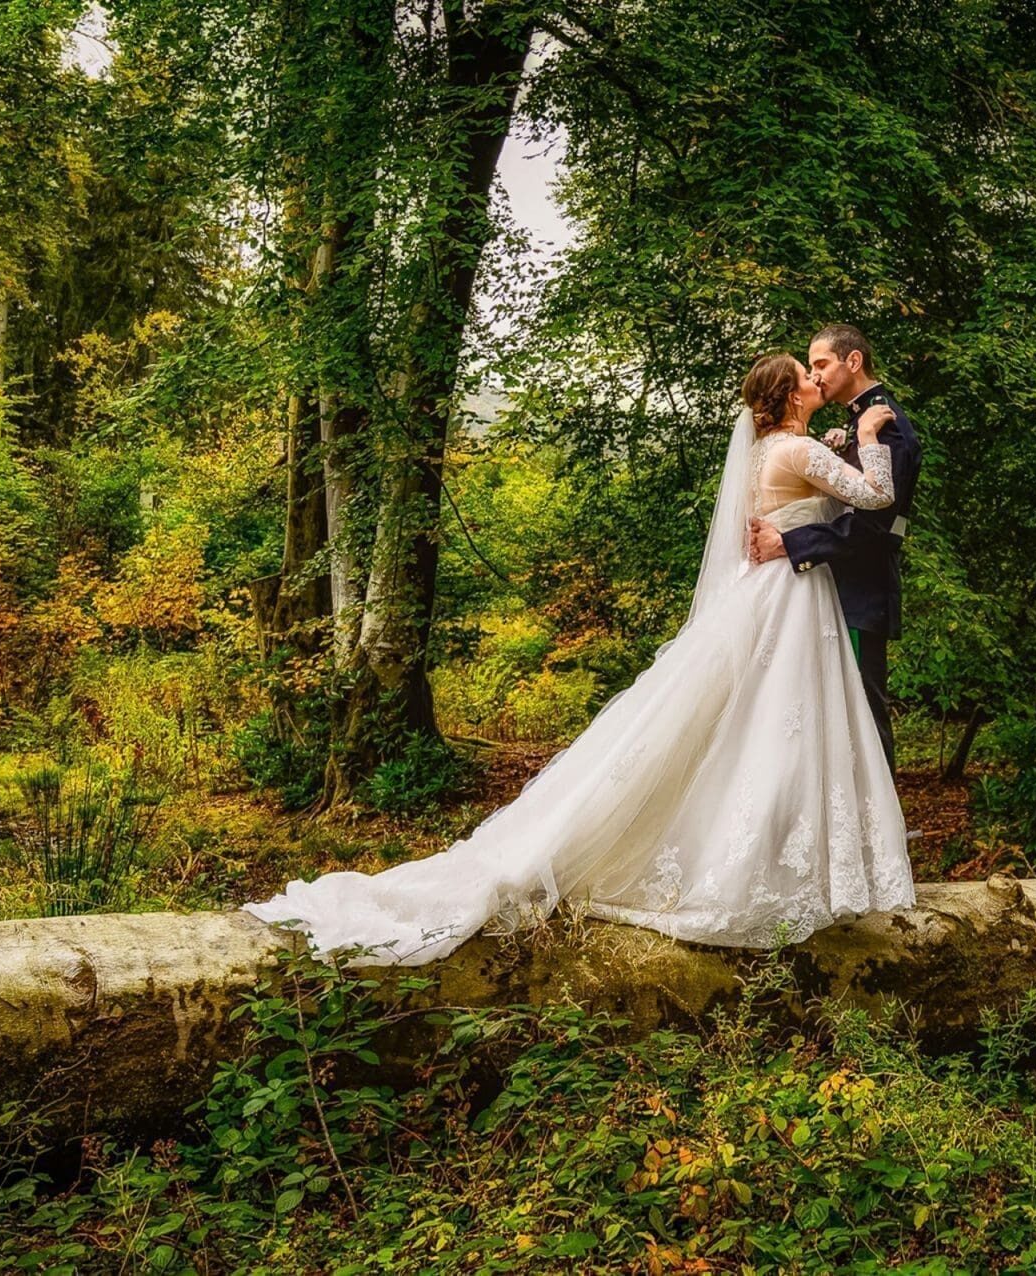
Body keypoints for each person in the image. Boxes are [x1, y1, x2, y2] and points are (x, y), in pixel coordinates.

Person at [241, 353, 916, 967]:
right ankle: (771, 869)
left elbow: (797, 507)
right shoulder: (797, 450)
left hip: (771, 594)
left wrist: (826, 459)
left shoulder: (770, 449)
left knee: (760, 729)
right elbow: (878, 497)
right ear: (790, 396)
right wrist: (861, 442)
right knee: (776, 730)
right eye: (805, 373)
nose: (813, 379)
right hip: (788, 601)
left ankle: (787, 863)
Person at [748, 324, 919, 770]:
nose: (816, 374)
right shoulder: (851, 425)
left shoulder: (886, 428)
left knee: (864, 713)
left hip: (860, 591)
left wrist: (790, 542)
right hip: (827, 591)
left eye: (821, 364)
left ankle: (882, 829)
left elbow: (873, 525)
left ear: (853, 362)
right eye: (809, 369)